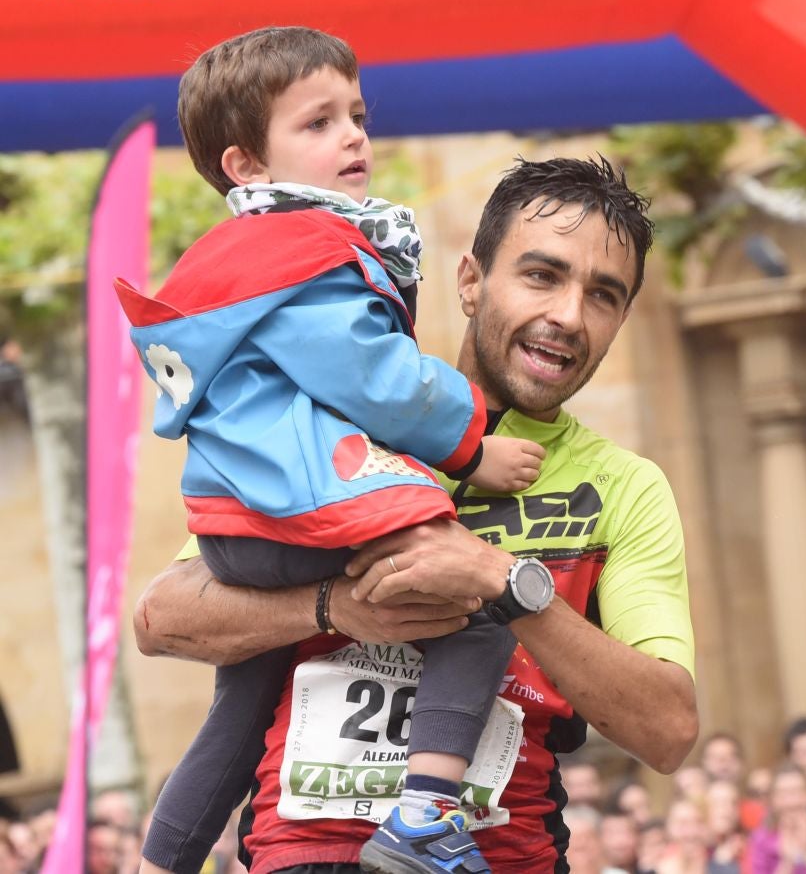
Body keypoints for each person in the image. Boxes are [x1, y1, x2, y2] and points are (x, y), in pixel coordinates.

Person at [135, 155, 699, 872]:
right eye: (541, 275)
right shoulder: (335, 425)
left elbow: (669, 729)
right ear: (469, 282)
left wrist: (503, 580)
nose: (565, 315)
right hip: (298, 854)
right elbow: (161, 618)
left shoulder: (626, 486)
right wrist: (334, 608)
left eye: (602, 295)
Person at [118, 27, 544, 874]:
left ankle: (158, 864)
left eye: (355, 114)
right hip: (305, 505)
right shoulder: (300, 251)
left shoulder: (244, 257)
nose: (352, 134)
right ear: (246, 166)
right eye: (316, 124)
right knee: (477, 619)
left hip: (235, 524)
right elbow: (377, 379)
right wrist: (469, 447)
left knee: (238, 712)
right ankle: (424, 815)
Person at [749, 763, 806, 874]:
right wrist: (787, 862)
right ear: (773, 799)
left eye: (797, 792)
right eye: (783, 794)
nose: (791, 802)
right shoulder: (762, 839)